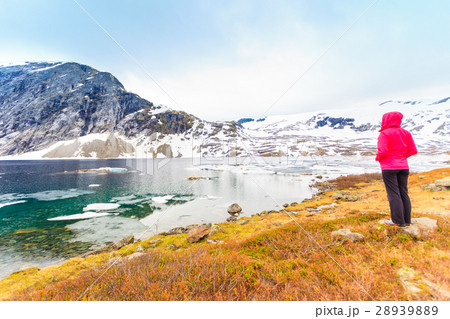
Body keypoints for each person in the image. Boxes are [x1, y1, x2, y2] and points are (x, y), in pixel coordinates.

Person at [376, 111, 417, 227]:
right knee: (403, 192)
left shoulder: (384, 134)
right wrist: (402, 158)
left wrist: (378, 158)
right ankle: (407, 220)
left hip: (389, 168)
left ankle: (398, 222)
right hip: (404, 167)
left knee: (393, 194)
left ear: (386, 120)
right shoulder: (406, 133)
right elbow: (413, 150)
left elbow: (383, 151)